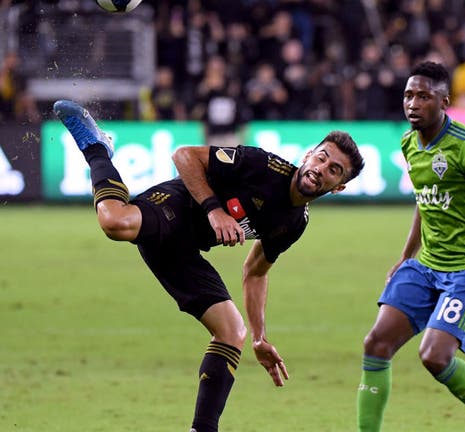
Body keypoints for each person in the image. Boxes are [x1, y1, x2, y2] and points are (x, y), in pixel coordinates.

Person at [52, 99, 365, 431]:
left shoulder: (295, 223)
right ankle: (98, 149)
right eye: (321, 157)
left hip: (185, 251)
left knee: (233, 332)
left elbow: (256, 271)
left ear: (339, 187)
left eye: (334, 170)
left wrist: (260, 337)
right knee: (115, 222)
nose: (321, 168)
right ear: (307, 156)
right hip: (176, 206)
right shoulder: (263, 166)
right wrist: (215, 210)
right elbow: (184, 155)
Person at [356, 62, 465, 432]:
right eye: (408, 95)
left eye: (423, 96)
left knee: (433, 356)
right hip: (425, 265)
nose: (412, 104)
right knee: (375, 344)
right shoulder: (409, 144)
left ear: (444, 101)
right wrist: (405, 257)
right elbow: (425, 200)